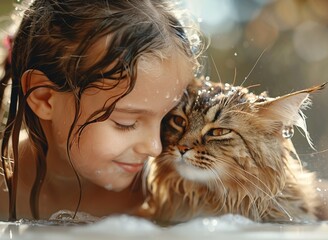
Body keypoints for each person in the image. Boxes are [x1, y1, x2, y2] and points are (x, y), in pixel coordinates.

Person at [0, 0, 204, 221]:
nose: (155, 148)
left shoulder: (166, 199)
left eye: (168, 119)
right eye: (126, 123)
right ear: (44, 98)